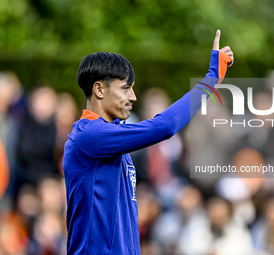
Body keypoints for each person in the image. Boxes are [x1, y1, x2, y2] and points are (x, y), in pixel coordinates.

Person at [63, 29, 234, 254]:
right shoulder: (90, 135)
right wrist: (212, 77)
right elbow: (165, 126)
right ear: (99, 89)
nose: (133, 97)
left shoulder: (110, 136)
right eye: (125, 88)